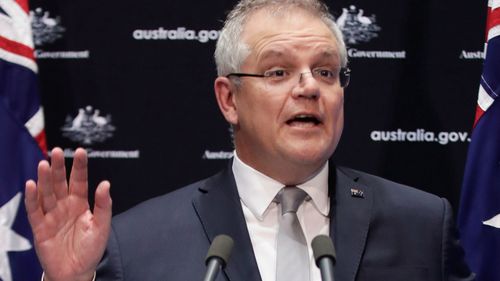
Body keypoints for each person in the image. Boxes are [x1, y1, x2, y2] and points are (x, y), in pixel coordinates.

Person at [25, 0, 475, 280]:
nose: (309, 87)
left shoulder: (420, 223)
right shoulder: (138, 241)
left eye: (325, 71)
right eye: (278, 71)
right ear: (229, 100)